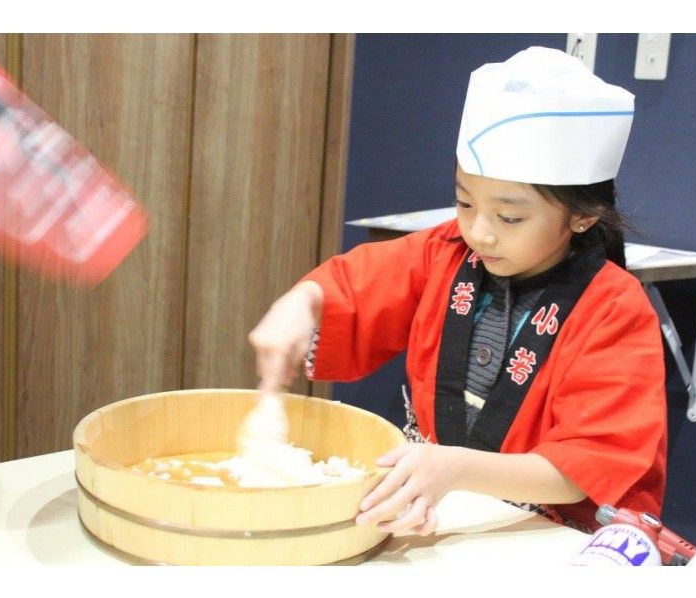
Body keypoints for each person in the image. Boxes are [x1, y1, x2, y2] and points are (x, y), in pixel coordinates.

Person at [249, 46, 667, 535]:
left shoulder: (614, 308)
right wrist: (300, 304)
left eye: (509, 217)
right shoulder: (446, 250)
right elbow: (355, 284)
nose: (479, 233)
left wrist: (453, 468)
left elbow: (588, 463)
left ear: (582, 215)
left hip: (553, 534)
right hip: (449, 508)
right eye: (464, 203)